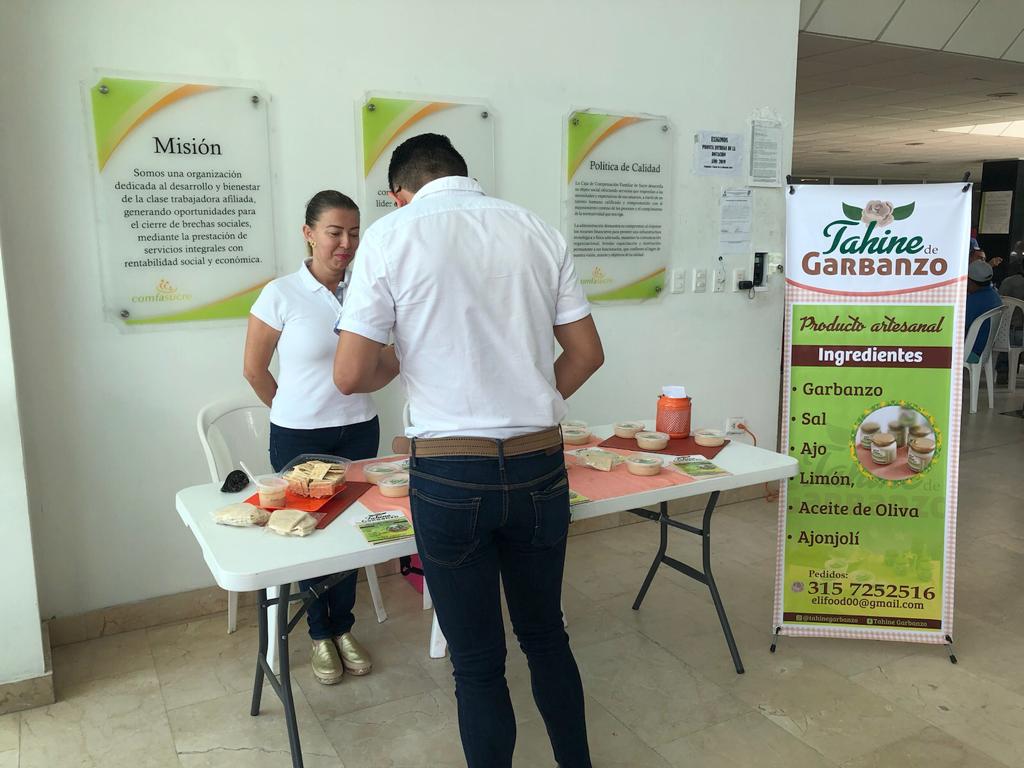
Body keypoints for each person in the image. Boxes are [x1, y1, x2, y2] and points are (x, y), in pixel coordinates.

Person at [334, 134, 602, 768]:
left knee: (478, 663)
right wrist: (532, 399)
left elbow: (350, 374)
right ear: (463, 175)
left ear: (400, 195)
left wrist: (400, 354)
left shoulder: (391, 237)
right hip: (539, 464)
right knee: (546, 636)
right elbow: (587, 354)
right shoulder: (536, 230)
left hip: (450, 472)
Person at [243, 190, 397, 684]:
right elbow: (254, 369)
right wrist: (292, 411)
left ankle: (343, 627)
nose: (346, 243)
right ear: (309, 234)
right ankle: (317, 634)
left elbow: (386, 360)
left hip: (358, 430)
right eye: (334, 232)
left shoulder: (367, 291)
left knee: (349, 530)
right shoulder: (281, 293)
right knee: (308, 532)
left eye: (354, 233)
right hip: (299, 437)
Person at [965, 259, 1003, 363]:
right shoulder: (994, 296)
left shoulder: (973, 301)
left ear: (970, 282)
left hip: (970, 352)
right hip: (984, 351)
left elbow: (958, 326)